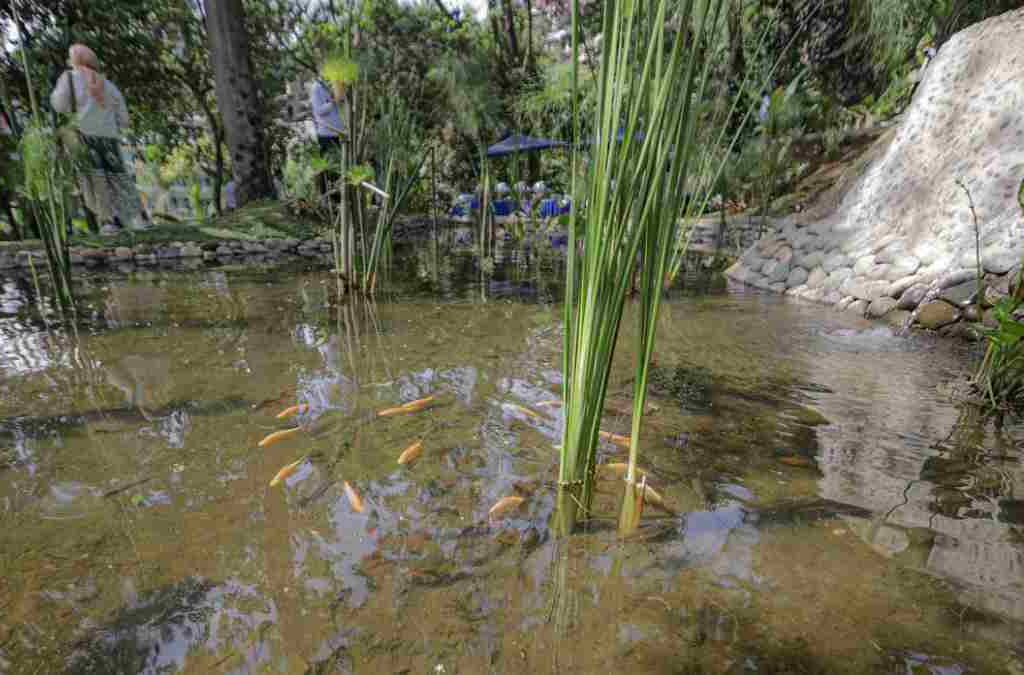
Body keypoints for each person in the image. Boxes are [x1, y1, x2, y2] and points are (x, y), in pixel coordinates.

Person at [50, 44, 148, 235]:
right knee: (118, 176)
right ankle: (139, 217)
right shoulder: (108, 84)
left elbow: (59, 105)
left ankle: (107, 221)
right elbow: (124, 118)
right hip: (108, 137)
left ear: (74, 60)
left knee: (95, 179)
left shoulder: (69, 78)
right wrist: (112, 125)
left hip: (83, 135)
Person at [310, 76, 344, 199]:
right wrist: (333, 101)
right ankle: (326, 198)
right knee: (327, 167)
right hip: (326, 133)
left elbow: (341, 102)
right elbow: (319, 110)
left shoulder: (334, 84)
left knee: (337, 167)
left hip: (338, 133)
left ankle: (337, 197)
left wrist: (340, 97)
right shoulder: (316, 88)